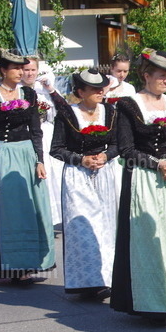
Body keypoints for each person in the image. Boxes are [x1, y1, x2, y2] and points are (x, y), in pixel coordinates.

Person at [111, 49, 166, 323]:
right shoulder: (129, 105)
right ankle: (152, 303)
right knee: (150, 241)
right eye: (161, 75)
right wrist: (156, 163)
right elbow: (126, 149)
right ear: (146, 75)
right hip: (143, 179)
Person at [0, 49, 55, 281]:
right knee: (9, 211)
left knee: (31, 208)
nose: (21, 72)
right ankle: (10, 264)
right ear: (3, 70)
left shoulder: (28, 94)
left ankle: (30, 260)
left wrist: (39, 159)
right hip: (2, 155)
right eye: (15, 68)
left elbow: (36, 130)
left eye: (22, 68)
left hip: (27, 155)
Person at [50, 69, 119, 298]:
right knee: (81, 227)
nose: (100, 91)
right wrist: (81, 159)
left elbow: (120, 144)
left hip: (104, 174)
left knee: (107, 226)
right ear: (81, 92)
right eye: (94, 89)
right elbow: (57, 149)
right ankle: (86, 282)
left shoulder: (110, 112)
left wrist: (106, 156)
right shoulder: (67, 114)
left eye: (101, 87)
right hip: (77, 176)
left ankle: (106, 278)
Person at [23, 55, 64, 226]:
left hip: (46, 135)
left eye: (33, 70)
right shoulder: (18, 91)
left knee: (52, 174)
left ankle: (52, 217)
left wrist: (50, 89)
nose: (30, 73)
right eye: (27, 70)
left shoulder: (43, 91)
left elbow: (63, 109)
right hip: (27, 135)